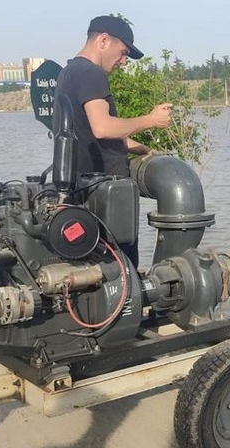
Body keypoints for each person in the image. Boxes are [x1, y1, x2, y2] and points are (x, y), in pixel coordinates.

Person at [53, 15, 172, 265]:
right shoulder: (90, 73)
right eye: (123, 52)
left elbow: (89, 132)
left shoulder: (69, 72)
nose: (124, 61)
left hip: (85, 195)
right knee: (123, 274)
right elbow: (103, 127)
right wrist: (151, 120)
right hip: (108, 199)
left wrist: (141, 148)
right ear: (104, 40)